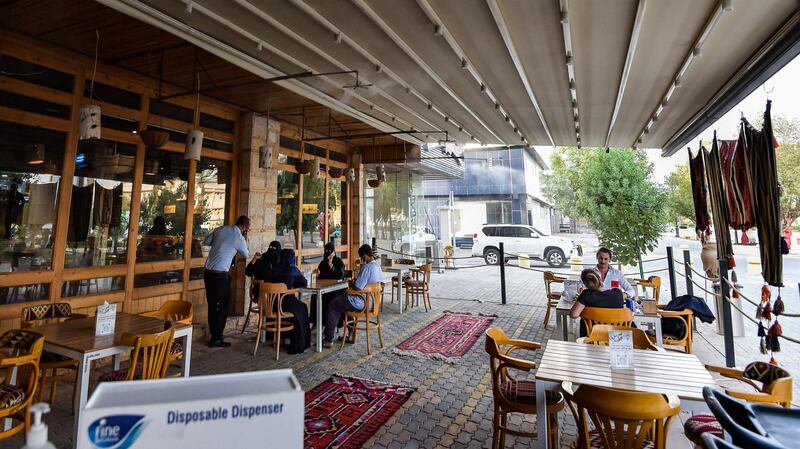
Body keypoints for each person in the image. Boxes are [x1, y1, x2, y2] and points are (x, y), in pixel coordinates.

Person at [323, 244, 383, 348]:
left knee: (333, 305)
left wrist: (351, 283)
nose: (361, 259)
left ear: (364, 255)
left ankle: (328, 340)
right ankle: (350, 335)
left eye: (361, 257)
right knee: (341, 303)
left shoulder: (367, 267)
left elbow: (358, 288)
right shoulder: (377, 266)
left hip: (362, 302)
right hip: (373, 303)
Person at [202, 215, 250, 348]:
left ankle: (215, 334)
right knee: (223, 306)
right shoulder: (239, 237)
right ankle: (217, 338)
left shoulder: (220, 229)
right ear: (245, 227)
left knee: (212, 305)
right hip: (220, 275)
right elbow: (246, 254)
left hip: (208, 273)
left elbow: (206, 241)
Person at [264, 248, 310, 354]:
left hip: (272, 305)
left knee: (297, 308)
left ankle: (283, 336)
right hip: (285, 304)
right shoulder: (292, 270)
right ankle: (301, 341)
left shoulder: (273, 269)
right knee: (302, 307)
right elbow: (303, 282)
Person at [569, 268, 625, 336]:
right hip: (615, 337)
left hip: (592, 338)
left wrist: (584, 312)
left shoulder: (586, 295)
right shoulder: (618, 293)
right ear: (600, 279)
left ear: (584, 284)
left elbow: (573, 315)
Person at [310, 242, 346, 327]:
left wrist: (331, 266)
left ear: (334, 252)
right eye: (326, 251)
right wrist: (317, 274)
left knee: (331, 298)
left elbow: (340, 275)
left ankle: (331, 324)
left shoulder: (339, 261)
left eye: (330, 251)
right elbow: (320, 277)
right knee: (315, 296)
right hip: (323, 288)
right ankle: (316, 322)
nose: (328, 252)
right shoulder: (323, 262)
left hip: (335, 289)